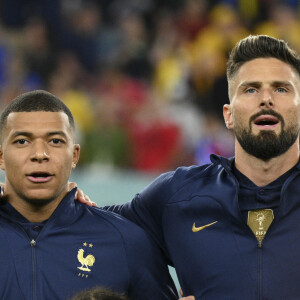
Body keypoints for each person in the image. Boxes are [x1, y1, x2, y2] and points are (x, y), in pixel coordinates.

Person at [85, 34, 300, 299]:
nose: (266, 99)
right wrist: (65, 196)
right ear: (228, 116)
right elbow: (88, 231)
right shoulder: (177, 196)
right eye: (251, 89)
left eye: (281, 89)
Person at [0, 90, 178, 299]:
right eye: (22, 141)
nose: (40, 154)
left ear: (75, 155)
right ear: (1, 157)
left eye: (55, 141)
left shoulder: (126, 242)